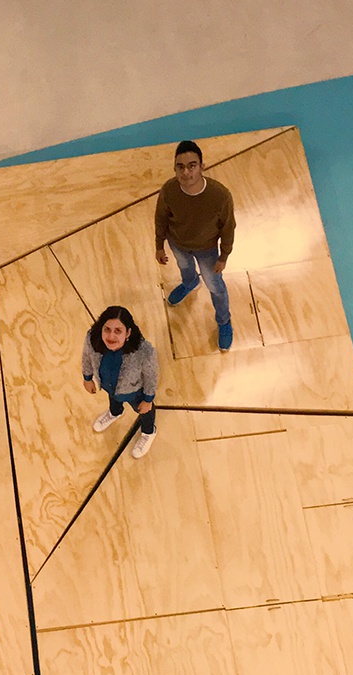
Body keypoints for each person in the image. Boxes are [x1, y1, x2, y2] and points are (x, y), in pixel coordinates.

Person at [154, 140, 237, 351]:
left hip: (207, 251)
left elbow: (228, 228)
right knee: (184, 267)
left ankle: (224, 321)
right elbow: (161, 217)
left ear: (202, 167)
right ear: (174, 169)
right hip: (178, 244)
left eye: (192, 166)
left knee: (215, 286)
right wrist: (159, 245)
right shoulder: (169, 190)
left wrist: (223, 257)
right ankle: (190, 283)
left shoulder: (220, 196)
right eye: (180, 167)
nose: (186, 172)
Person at [82, 305, 159, 460]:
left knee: (145, 412)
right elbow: (86, 357)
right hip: (108, 385)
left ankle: (148, 431)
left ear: (128, 333)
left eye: (118, 331)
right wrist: (87, 378)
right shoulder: (92, 339)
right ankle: (115, 412)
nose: (111, 336)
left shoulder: (144, 351)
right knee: (113, 398)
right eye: (107, 329)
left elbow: (151, 376)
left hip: (134, 391)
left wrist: (148, 399)